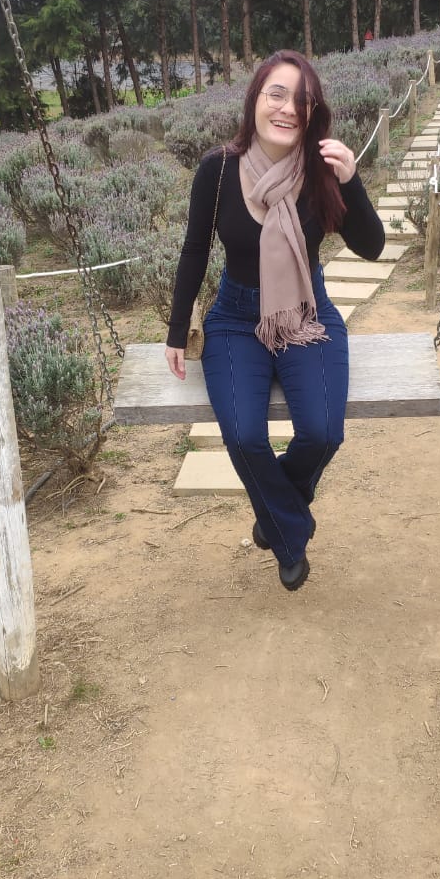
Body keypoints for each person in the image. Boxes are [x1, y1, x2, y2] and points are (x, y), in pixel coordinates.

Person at [165, 50, 385, 591]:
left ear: (313, 114)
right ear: (255, 100)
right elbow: (195, 251)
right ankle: (290, 530)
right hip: (235, 320)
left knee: (323, 432)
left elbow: (372, 247)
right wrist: (176, 330)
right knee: (244, 435)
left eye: (301, 101)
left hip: (306, 314)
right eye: (277, 94)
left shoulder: (320, 171)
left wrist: (351, 181)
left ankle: (273, 513)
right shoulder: (218, 169)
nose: (288, 108)